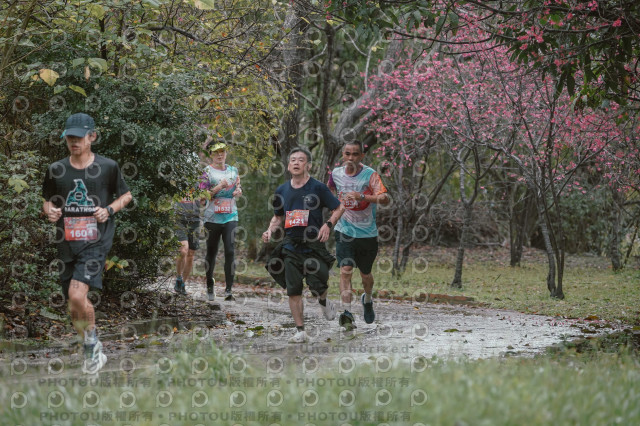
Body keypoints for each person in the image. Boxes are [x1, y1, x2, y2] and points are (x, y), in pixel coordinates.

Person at [42, 112, 132, 374]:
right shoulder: (56, 169)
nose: (74, 142)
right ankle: (91, 347)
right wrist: (50, 211)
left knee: (76, 294)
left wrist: (109, 210)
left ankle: (92, 348)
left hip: (96, 241)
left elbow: (126, 195)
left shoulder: (108, 167)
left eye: (79, 137)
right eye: (69, 137)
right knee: (73, 304)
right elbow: (47, 200)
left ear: (92, 137)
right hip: (66, 242)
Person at [262, 147, 345, 343]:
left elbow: (339, 207)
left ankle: (323, 301)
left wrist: (328, 225)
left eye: (301, 160)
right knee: (293, 289)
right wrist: (270, 230)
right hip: (291, 245)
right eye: (293, 160)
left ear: (308, 165)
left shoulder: (318, 188)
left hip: (314, 244)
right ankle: (300, 331)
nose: (296, 163)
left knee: (318, 285)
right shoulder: (281, 191)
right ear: (288, 165)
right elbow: (278, 217)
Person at [328, 140, 389, 330]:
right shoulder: (336, 174)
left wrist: (362, 196)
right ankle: (347, 312)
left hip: (367, 234)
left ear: (362, 156)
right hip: (344, 231)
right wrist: (333, 207)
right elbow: (329, 191)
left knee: (365, 275)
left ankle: (367, 299)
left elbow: (384, 198)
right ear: (343, 155)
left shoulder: (370, 175)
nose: (351, 158)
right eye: (347, 153)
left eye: (355, 154)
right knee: (345, 270)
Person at [199, 141, 241, 301]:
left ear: (226, 153)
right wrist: (219, 187)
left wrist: (238, 191)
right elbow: (202, 198)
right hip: (212, 218)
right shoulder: (206, 172)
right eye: (216, 152)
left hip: (231, 215)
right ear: (211, 154)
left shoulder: (233, 170)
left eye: (222, 151)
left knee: (230, 251)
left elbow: (238, 186)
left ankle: (229, 290)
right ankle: (210, 284)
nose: (220, 155)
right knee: (212, 251)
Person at [173, 165, 202, 296]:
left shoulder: (201, 182)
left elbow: (205, 198)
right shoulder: (177, 179)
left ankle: (183, 284)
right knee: (183, 250)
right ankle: (178, 277)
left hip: (195, 220)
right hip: (180, 219)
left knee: (191, 254)